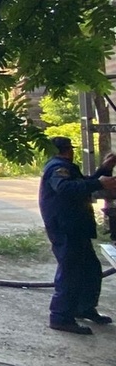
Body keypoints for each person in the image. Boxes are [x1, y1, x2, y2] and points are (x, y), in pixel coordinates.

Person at [38, 136, 116, 334]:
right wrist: (99, 182)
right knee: (70, 272)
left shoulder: (64, 167)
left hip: (75, 227)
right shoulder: (58, 167)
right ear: (67, 150)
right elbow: (65, 189)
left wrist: (105, 170)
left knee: (90, 269)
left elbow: (84, 184)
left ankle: (84, 307)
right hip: (65, 228)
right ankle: (61, 317)